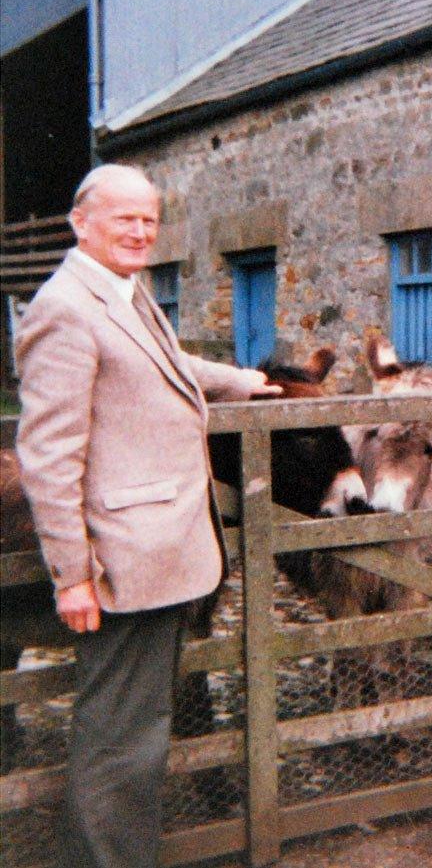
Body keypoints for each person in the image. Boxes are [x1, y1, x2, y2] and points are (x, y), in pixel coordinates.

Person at [14, 164, 282, 868]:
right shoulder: (63, 308)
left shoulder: (121, 294)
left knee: (141, 736)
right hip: (122, 562)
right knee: (118, 745)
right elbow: (47, 455)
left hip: (160, 556)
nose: (139, 231)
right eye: (123, 218)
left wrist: (239, 381)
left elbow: (166, 363)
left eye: (148, 220)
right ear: (81, 223)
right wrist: (73, 574)